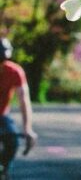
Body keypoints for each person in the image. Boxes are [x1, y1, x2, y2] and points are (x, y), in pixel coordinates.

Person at [0, 38, 37, 178]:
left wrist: (27, 129)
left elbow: (24, 100)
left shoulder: (15, 71)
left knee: (12, 141)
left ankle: (3, 170)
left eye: (2, 61)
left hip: (2, 115)